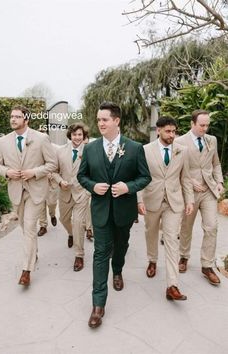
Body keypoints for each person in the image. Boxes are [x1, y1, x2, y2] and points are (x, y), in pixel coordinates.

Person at [77, 101, 151, 328]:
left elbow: (144, 177)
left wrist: (128, 187)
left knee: (121, 246)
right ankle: (98, 304)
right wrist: (92, 186)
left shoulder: (135, 148)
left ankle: (117, 270)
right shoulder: (90, 148)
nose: (100, 123)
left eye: (104, 119)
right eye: (98, 119)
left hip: (124, 212)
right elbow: (82, 176)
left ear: (116, 121)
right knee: (100, 254)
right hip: (100, 211)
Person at [0, 105, 57, 286]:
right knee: (24, 226)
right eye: (12, 116)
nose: (13, 119)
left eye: (17, 117)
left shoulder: (41, 138)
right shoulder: (3, 141)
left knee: (29, 227)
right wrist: (7, 172)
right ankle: (33, 252)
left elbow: (52, 164)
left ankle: (26, 270)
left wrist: (34, 172)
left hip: (36, 191)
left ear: (26, 120)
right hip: (16, 191)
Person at [138, 117, 194, 301]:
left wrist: (189, 201)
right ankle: (152, 260)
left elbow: (185, 178)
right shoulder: (145, 150)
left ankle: (172, 285)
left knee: (171, 239)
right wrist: (139, 200)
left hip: (174, 202)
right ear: (159, 130)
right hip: (152, 200)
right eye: (168, 131)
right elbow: (139, 177)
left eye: (174, 131)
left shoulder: (182, 151)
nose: (172, 135)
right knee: (151, 233)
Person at [176, 109, 224, 285]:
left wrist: (219, 181)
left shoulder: (212, 140)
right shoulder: (179, 142)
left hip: (209, 191)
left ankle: (207, 265)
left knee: (212, 227)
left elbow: (216, 163)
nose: (205, 128)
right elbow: (176, 168)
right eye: (202, 125)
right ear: (192, 124)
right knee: (186, 227)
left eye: (207, 125)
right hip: (189, 191)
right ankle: (184, 256)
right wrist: (189, 181)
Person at [53, 122, 90, 271]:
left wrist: (88, 190)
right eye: (74, 134)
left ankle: (79, 255)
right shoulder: (60, 152)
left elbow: (94, 172)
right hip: (65, 193)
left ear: (84, 136)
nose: (77, 137)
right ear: (70, 135)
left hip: (82, 193)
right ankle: (71, 234)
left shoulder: (89, 151)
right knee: (64, 219)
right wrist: (60, 181)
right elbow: (54, 171)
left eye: (80, 134)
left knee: (78, 223)